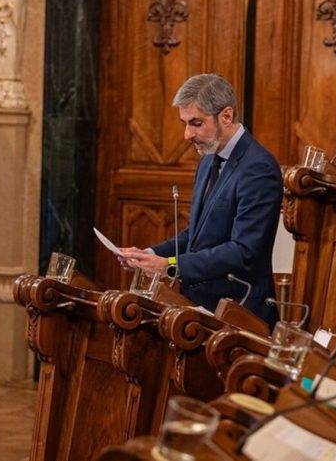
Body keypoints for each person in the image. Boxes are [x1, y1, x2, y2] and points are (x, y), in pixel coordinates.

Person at [119, 74, 283, 326]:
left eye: (196, 123)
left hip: (239, 312)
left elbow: (243, 251)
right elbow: (195, 236)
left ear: (226, 116)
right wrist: (149, 255)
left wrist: (170, 266)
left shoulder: (259, 167)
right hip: (198, 307)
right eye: (185, 123)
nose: (187, 134)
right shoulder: (207, 159)